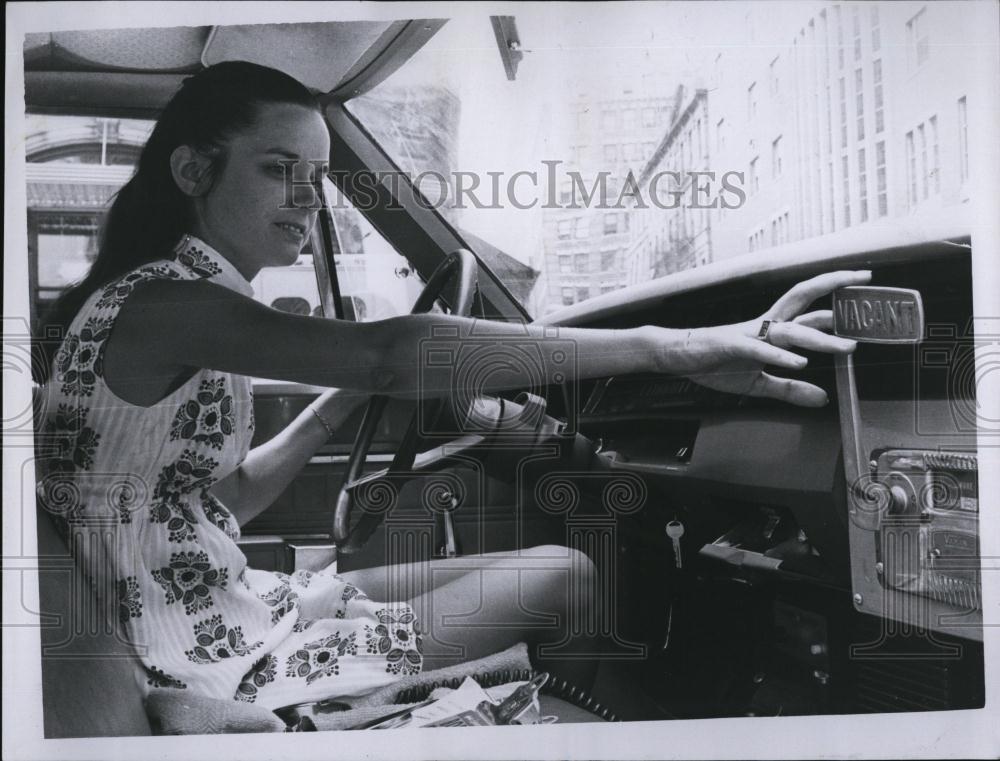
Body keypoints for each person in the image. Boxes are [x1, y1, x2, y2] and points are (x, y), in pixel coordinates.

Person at [34, 61, 868, 713]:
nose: (306, 198)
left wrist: (350, 398)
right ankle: (595, 731)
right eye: (278, 168)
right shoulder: (169, 304)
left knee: (554, 564)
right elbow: (391, 351)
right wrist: (669, 348)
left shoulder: (158, 298)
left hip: (224, 610)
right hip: (217, 665)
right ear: (192, 169)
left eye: (316, 175)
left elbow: (229, 500)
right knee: (568, 579)